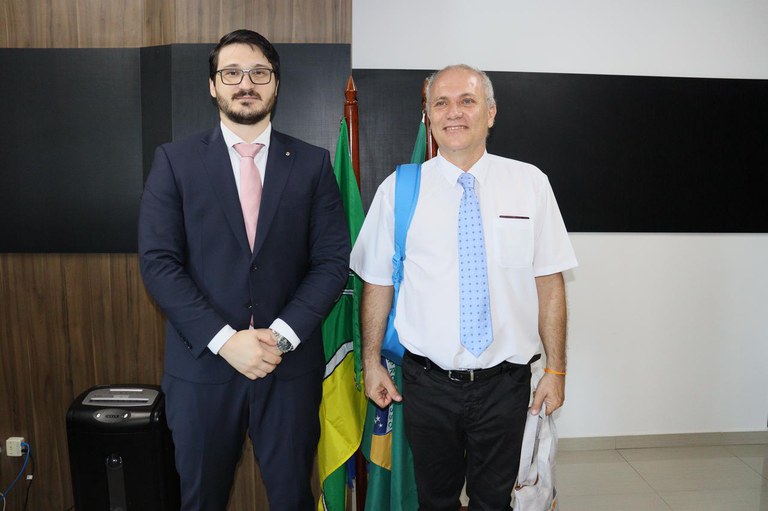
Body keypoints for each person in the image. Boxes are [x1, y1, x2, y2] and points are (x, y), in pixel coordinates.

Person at [138, 29, 350, 510]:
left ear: (276, 84)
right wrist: (225, 340)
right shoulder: (175, 162)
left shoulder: (313, 165)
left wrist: (279, 336)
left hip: (289, 368)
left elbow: (332, 262)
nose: (245, 83)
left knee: (294, 497)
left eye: (259, 72)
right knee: (200, 500)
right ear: (213, 85)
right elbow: (158, 263)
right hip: (202, 371)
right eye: (231, 73)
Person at [350, 64, 578, 510]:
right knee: (435, 500)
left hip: (506, 385)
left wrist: (556, 369)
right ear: (429, 115)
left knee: (495, 500)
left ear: (490, 113)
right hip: (427, 384)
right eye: (441, 103)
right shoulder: (400, 189)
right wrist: (372, 361)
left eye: (467, 101)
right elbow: (377, 283)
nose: (454, 113)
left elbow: (550, 283)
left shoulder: (530, 184)